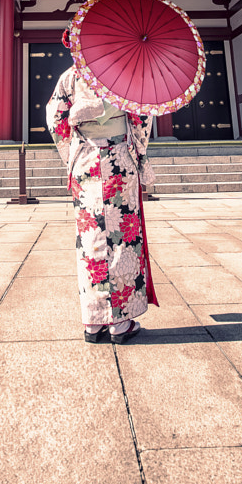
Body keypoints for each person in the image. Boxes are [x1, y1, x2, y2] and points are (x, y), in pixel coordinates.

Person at [46, 36, 157, 343]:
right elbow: (142, 115)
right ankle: (120, 324)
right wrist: (116, 116)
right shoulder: (122, 76)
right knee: (122, 234)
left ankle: (93, 323)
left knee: (91, 237)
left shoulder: (68, 78)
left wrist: (73, 152)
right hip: (119, 158)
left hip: (84, 159)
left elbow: (56, 119)